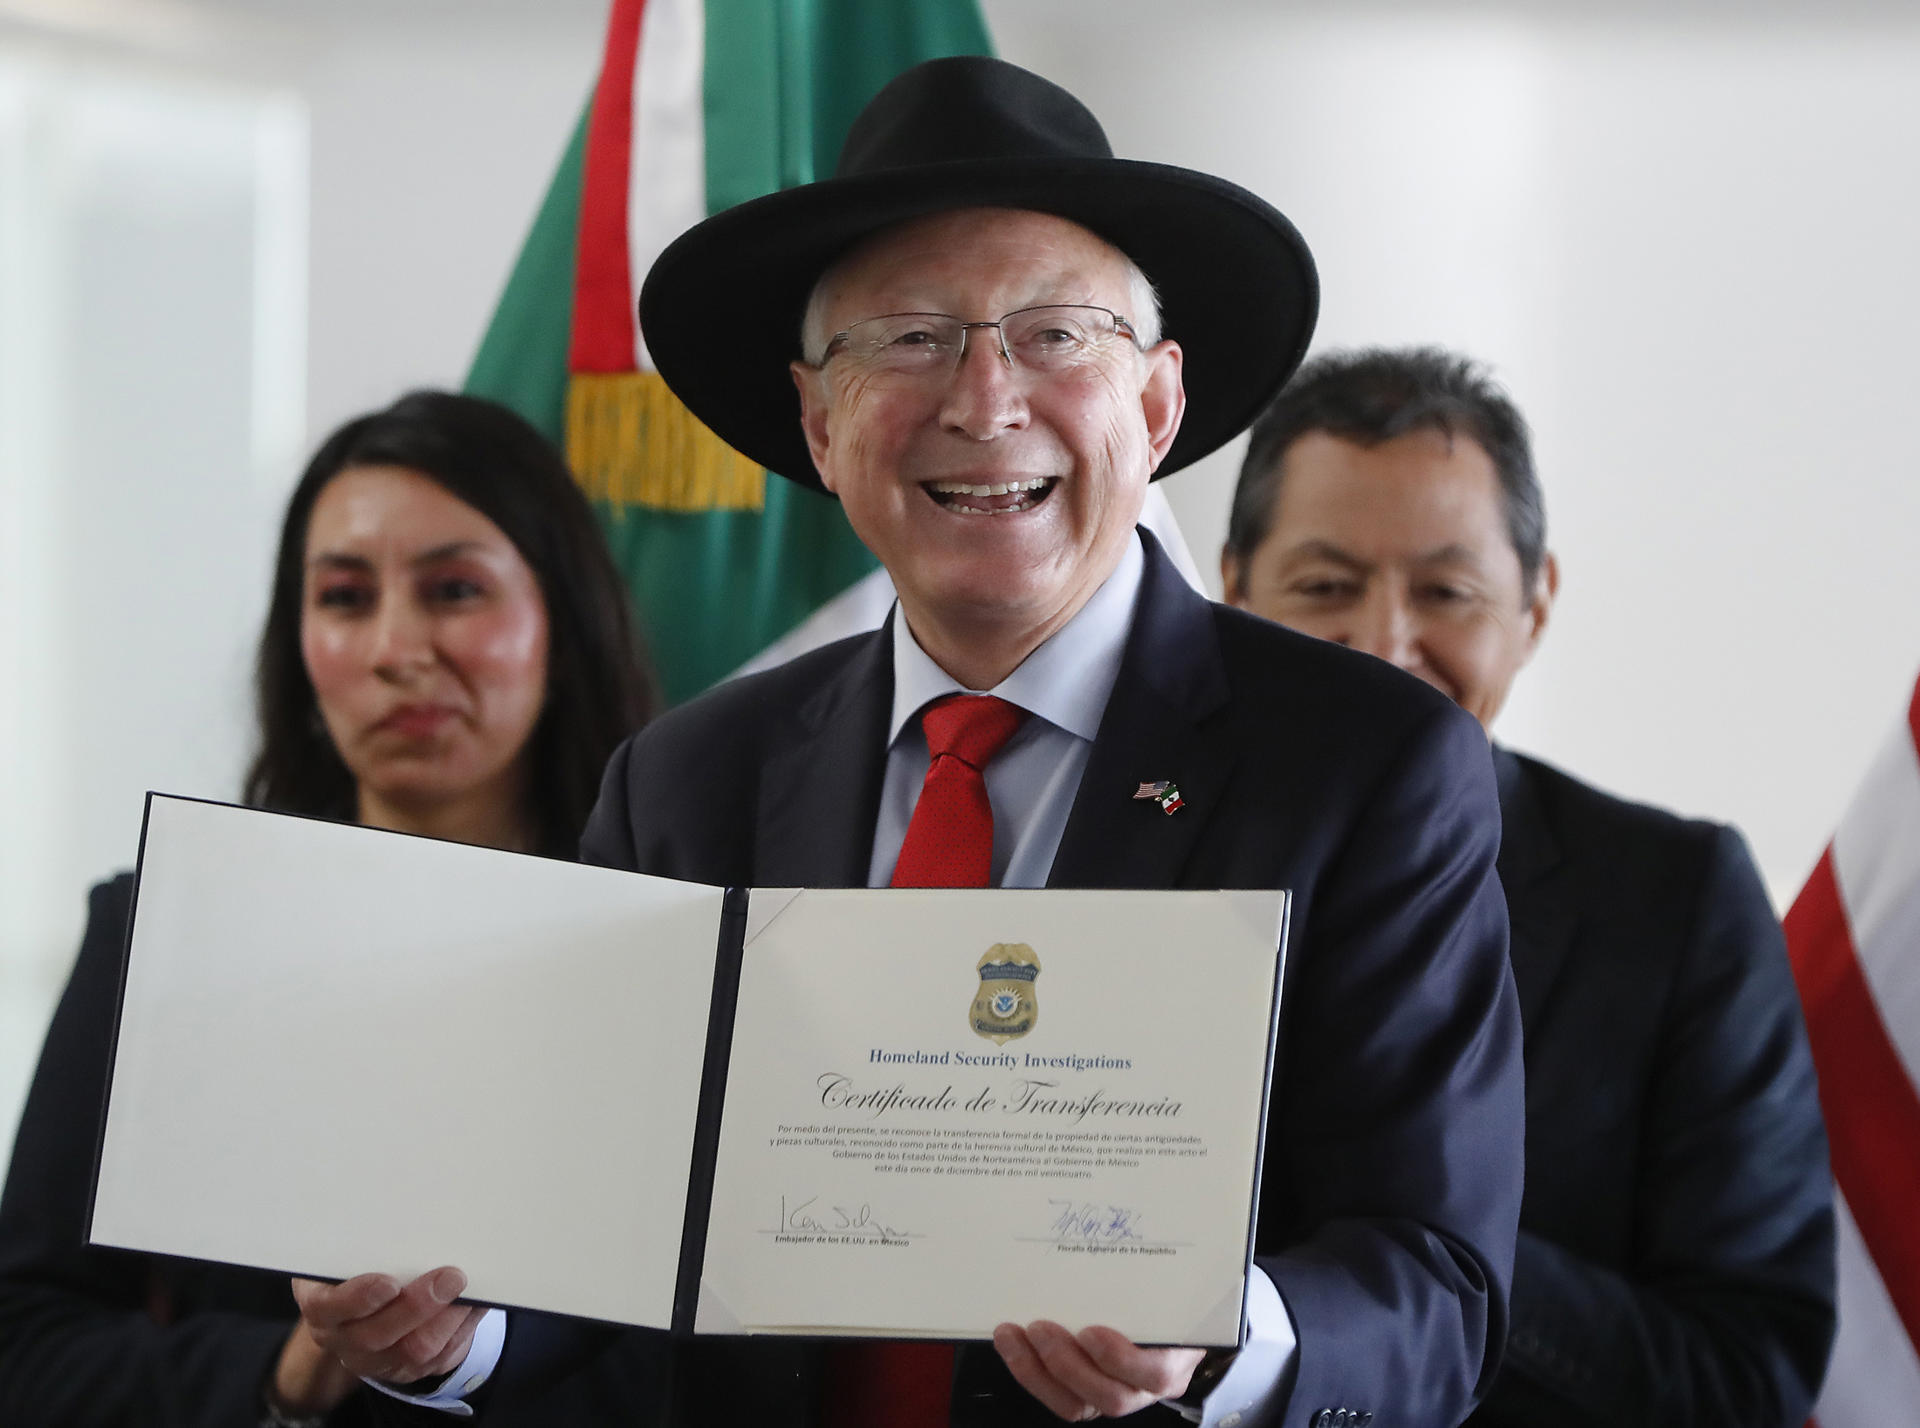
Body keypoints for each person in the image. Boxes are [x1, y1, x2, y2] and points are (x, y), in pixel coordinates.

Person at [297, 59, 1525, 1428]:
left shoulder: (1368, 765)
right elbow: (609, 1236)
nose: (987, 402)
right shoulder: (689, 781)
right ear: (820, 423)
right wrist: (453, 1337)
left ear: (1159, 406)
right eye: (911, 338)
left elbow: (1435, 1285)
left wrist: (1227, 1336)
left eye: (1058, 336)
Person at [0, 390, 656, 1427]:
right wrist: (296, 1369)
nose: (398, 647)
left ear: (560, 626)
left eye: (453, 589)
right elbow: (28, 1348)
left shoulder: (663, 943)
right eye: (345, 597)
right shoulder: (164, 935)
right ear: (297, 645)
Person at [1220, 345, 1836, 1426]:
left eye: (1445, 591)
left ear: (1535, 606)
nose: (1382, 645)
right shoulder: (1129, 844)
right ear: (1231, 591)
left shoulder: (1678, 900)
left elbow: (1751, 1377)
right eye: (1325, 587)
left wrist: (1431, 1239)